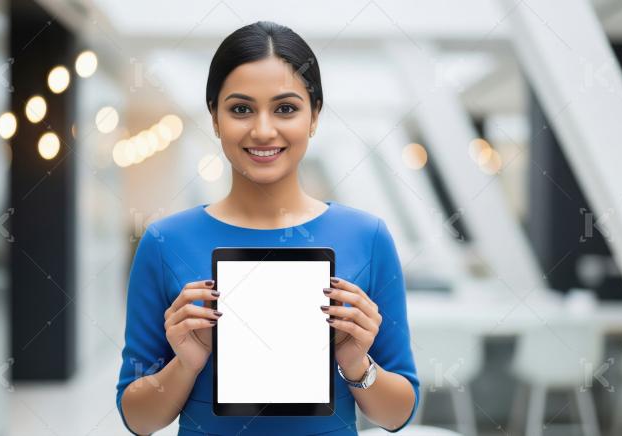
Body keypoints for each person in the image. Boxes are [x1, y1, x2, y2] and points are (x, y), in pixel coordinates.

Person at [116, 20, 420, 435]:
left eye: (286, 108)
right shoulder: (165, 242)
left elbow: (397, 415)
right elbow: (138, 419)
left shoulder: (367, 237)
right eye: (241, 109)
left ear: (314, 117)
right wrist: (186, 364)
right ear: (215, 118)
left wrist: (356, 364)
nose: (262, 130)